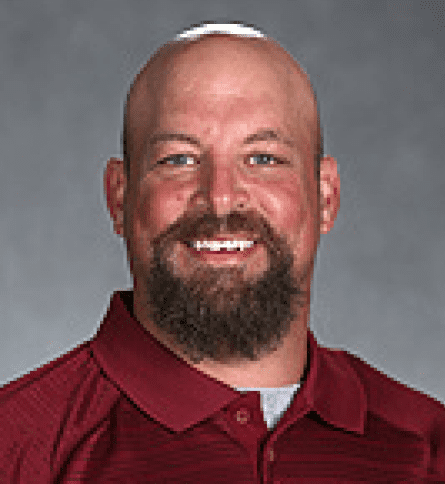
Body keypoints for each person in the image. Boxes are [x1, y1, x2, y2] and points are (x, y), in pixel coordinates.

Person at [1, 21, 444, 483]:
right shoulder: (16, 449)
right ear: (119, 197)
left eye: (263, 159)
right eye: (179, 159)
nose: (221, 198)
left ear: (326, 196)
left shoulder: (428, 447)